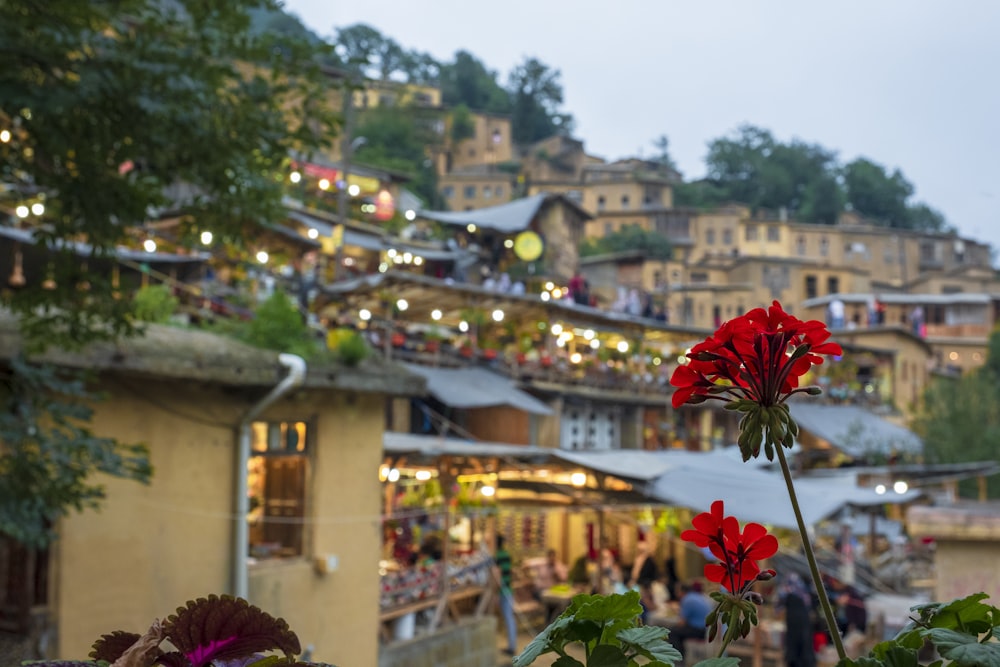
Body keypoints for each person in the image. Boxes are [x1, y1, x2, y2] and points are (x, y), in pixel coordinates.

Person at [777, 573, 816, 667]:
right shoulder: (805, 593)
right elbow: (810, 607)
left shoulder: (786, 591)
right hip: (802, 625)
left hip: (794, 625)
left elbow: (778, 609)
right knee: (803, 648)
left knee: (794, 650)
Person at [669, 581, 712, 659]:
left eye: (677, 591)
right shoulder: (697, 596)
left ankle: (678, 658)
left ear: (682, 591)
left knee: (672, 632)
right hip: (706, 629)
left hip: (699, 630)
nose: (676, 594)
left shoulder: (687, 599)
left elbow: (682, 622)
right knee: (677, 630)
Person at [494, 535, 517, 657]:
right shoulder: (507, 554)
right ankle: (512, 645)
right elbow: (510, 571)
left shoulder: (497, 556)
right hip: (509, 588)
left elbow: (497, 575)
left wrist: (496, 593)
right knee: (509, 618)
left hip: (503, 590)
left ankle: (512, 646)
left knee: (508, 618)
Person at [627, 540, 659, 622]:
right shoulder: (639, 559)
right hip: (640, 584)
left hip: (645, 584)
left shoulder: (648, 560)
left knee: (645, 601)